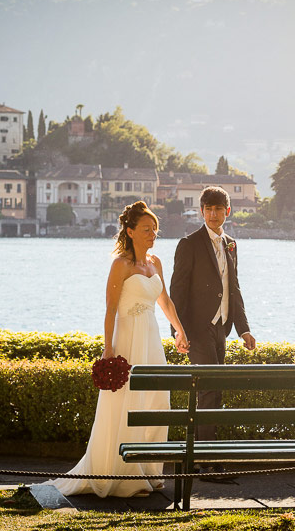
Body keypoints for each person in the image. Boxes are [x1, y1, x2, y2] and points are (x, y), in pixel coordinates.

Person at [43, 201, 189, 498]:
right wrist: (108, 350)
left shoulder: (155, 262)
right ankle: (124, 475)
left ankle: (150, 471)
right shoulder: (120, 265)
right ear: (130, 231)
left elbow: (165, 302)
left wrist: (179, 330)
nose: (152, 234)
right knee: (128, 405)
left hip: (152, 338)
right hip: (127, 339)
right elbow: (110, 310)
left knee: (157, 401)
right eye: (147, 229)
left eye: (155, 230)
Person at [170, 186, 256, 477]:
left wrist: (243, 330)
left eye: (218, 209)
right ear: (201, 211)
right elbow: (177, 291)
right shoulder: (189, 244)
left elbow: (234, 289)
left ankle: (200, 457)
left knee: (213, 392)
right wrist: (177, 331)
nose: (213, 213)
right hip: (196, 328)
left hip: (222, 328)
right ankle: (207, 462)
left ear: (227, 211)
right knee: (211, 388)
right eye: (208, 209)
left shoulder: (231, 244)